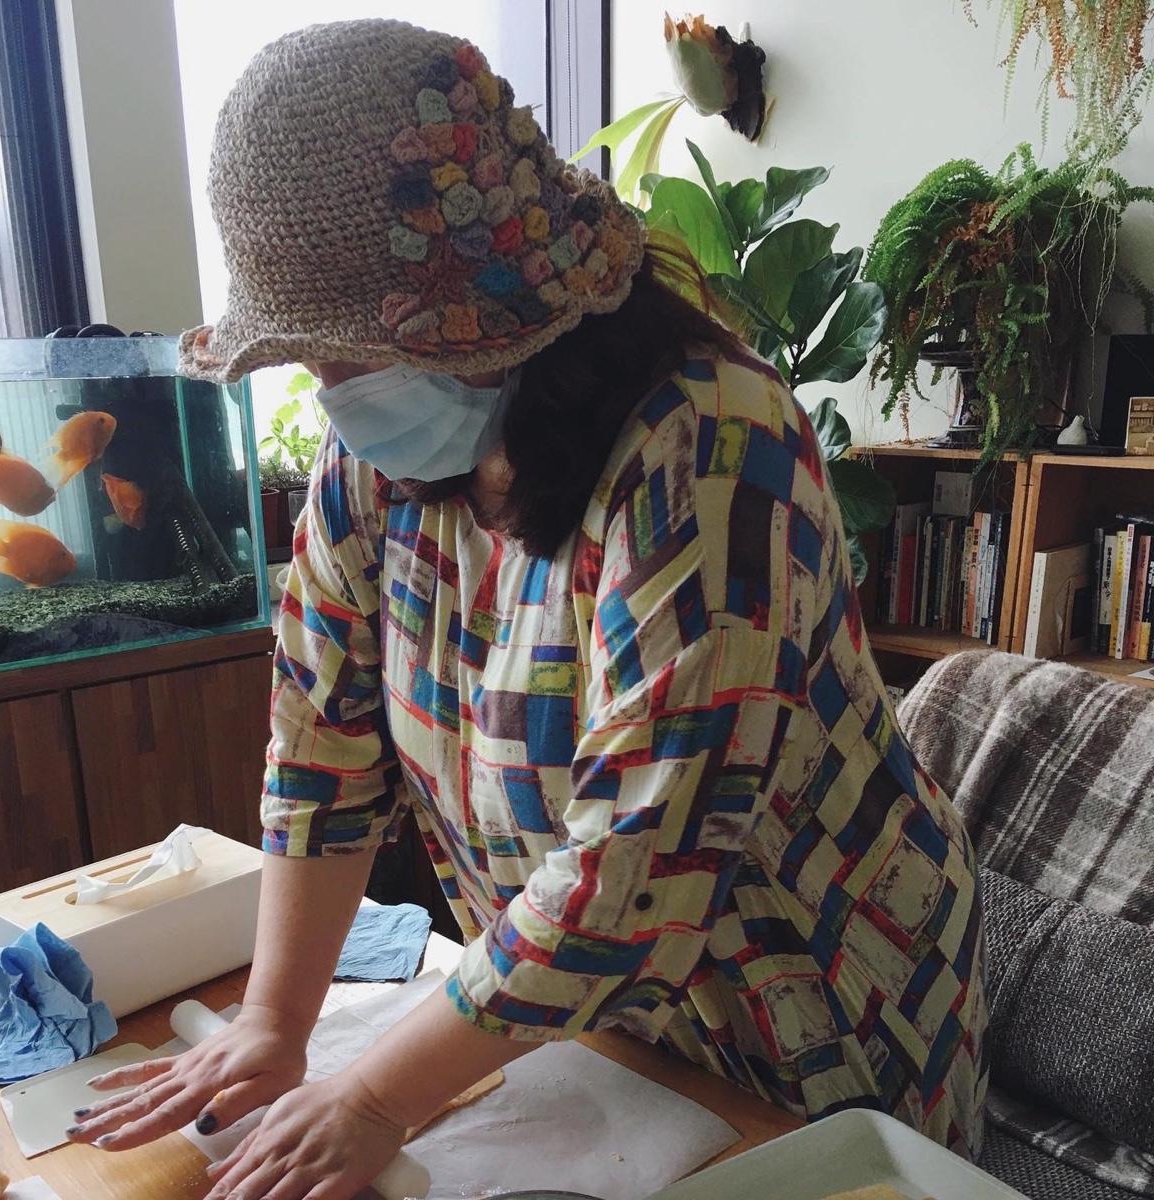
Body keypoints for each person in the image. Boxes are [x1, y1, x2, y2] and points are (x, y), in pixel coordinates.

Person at [66, 19, 987, 1199]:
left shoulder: (713, 445)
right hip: (588, 1022)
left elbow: (637, 858)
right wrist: (273, 1022)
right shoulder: (372, 473)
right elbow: (320, 752)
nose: (328, 395)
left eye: (345, 356)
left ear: (476, 318)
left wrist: (372, 1098)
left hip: (820, 999)